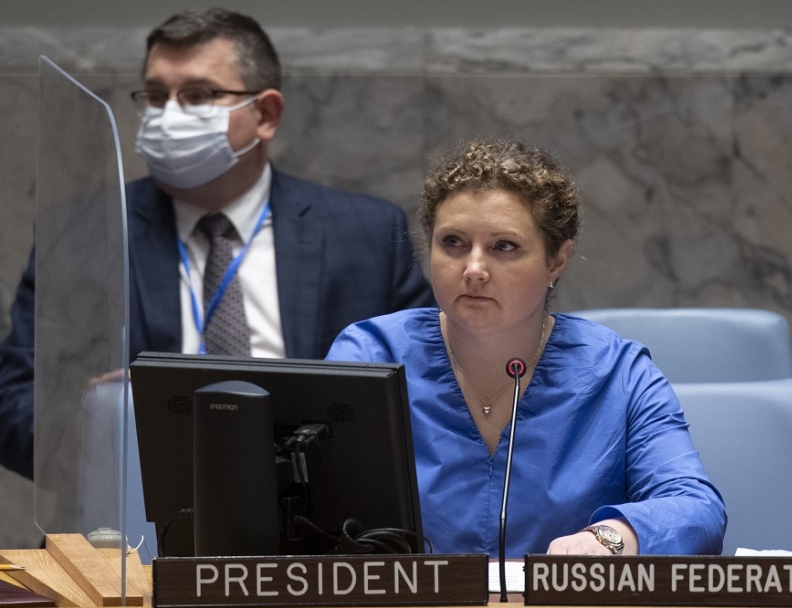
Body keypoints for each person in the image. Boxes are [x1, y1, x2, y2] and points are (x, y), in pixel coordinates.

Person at [0, 8, 434, 480]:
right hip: (137, 508)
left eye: (198, 95)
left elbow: (432, 390)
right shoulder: (81, 232)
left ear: (266, 114)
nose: (168, 116)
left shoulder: (366, 234)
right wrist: (99, 421)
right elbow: (13, 405)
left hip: (321, 504)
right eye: (155, 96)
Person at [326, 139, 726, 556]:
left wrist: (610, 538)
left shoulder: (618, 373)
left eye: (504, 246)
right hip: (408, 598)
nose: (474, 269)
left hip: (559, 599)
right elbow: (313, 507)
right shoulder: (369, 357)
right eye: (453, 242)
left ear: (557, 261)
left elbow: (697, 509)